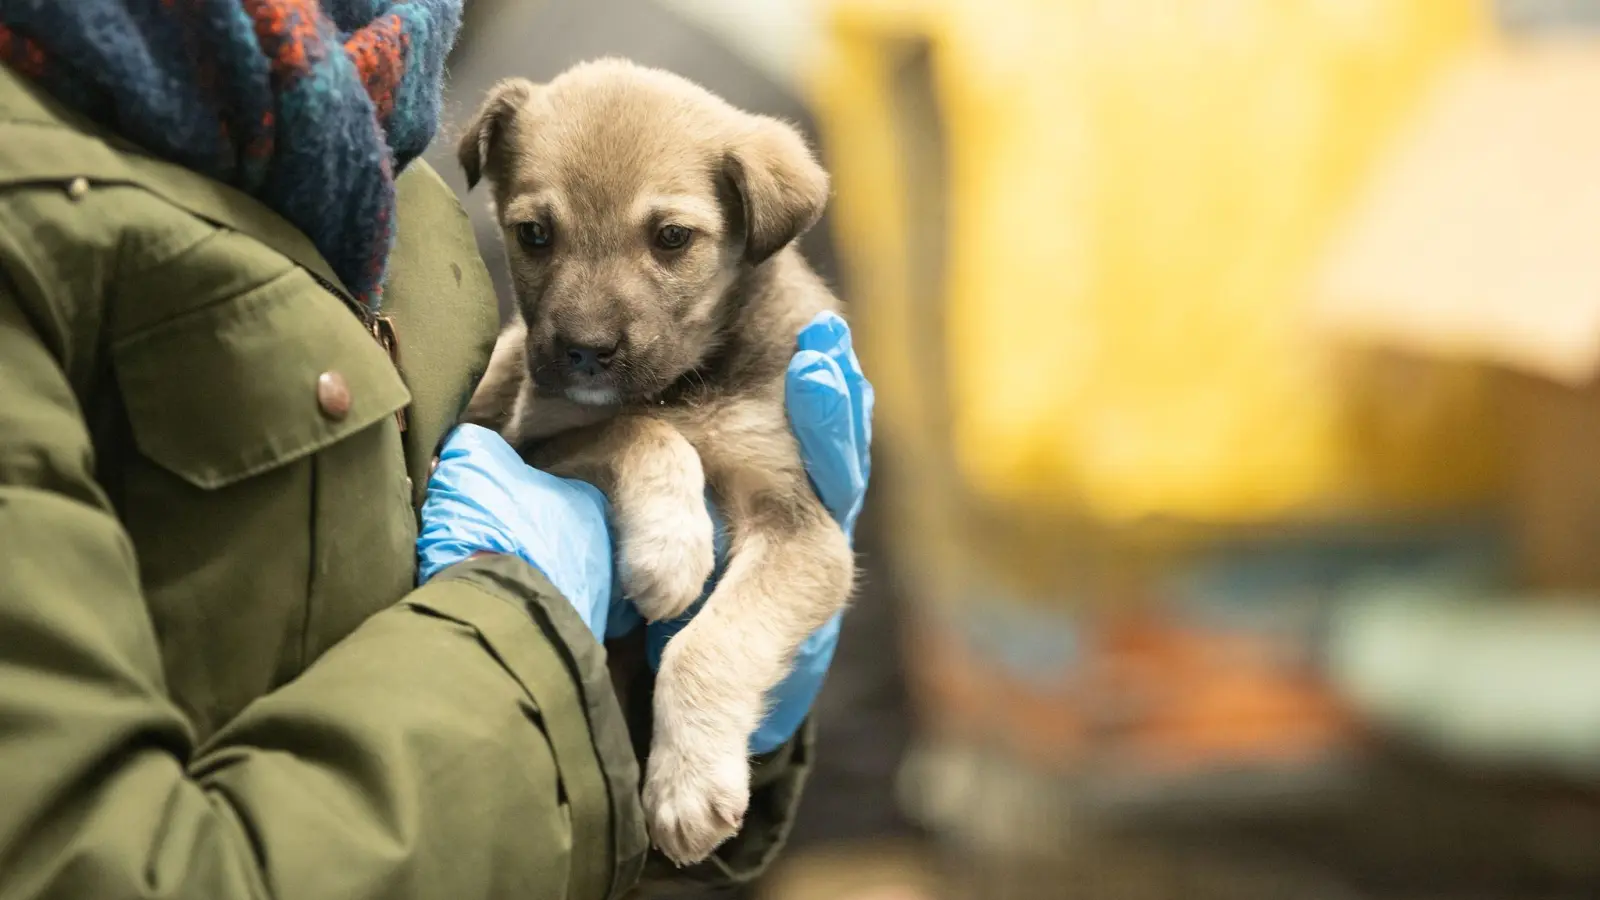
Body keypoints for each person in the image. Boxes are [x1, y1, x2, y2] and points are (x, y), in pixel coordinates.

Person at [0, 2, 869, 899]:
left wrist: (690, 727)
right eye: (536, 236)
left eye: (670, 242)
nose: (583, 320)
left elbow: (658, 784)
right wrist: (522, 632)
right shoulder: (42, 180)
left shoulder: (388, 109)